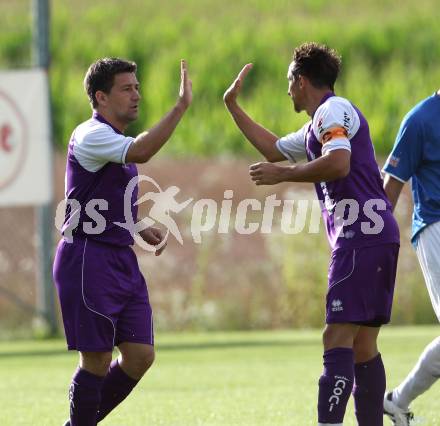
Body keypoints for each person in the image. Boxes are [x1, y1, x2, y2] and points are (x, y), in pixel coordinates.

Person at [224, 42, 400, 426]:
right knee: (363, 346)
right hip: (377, 234)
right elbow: (274, 150)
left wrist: (284, 176)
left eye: (289, 81)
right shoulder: (317, 124)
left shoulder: (332, 111)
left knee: (335, 340)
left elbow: (338, 163)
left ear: (301, 80)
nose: (287, 90)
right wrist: (234, 108)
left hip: (360, 237)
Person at [53, 57, 192, 425]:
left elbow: (103, 196)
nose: (137, 96)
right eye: (126, 88)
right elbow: (142, 150)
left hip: (118, 258)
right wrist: (179, 107)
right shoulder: (91, 134)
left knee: (140, 355)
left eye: (137, 87)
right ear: (100, 97)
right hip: (87, 258)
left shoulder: (112, 141)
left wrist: (136, 223)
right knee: (96, 361)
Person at [382, 91, 440, 426]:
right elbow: (390, 188)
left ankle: (396, 401)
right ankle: (396, 400)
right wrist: (371, 242)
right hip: (435, 228)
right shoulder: (419, 120)